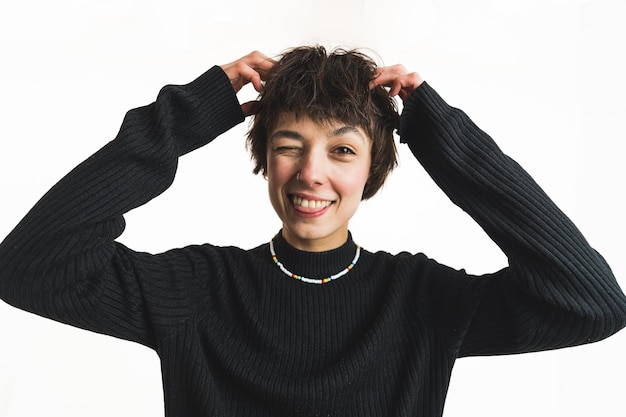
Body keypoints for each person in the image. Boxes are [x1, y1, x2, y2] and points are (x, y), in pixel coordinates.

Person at [0, 45, 625, 417]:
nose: (311, 174)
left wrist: (444, 138)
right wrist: (188, 115)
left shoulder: (421, 302)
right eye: (289, 145)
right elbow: (29, 265)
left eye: (343, 152)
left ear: (374, 168)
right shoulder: (195, 290)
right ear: (263, 157)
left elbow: (592, 304)